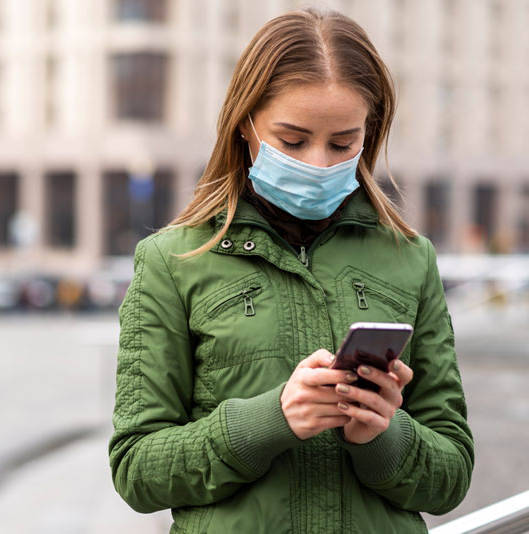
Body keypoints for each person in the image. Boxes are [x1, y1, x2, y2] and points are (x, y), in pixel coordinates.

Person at [108, 8, 473, 533]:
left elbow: (452, 476)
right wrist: (269, 420)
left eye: (343, 143)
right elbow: (137, 471)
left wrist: (384, 435)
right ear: (244, 125)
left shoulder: (410, 258)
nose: (320, 164)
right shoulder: (171, 261)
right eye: (293, 141)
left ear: (370, 134)